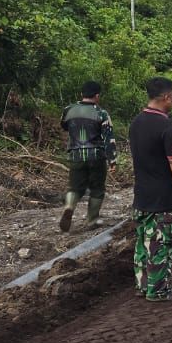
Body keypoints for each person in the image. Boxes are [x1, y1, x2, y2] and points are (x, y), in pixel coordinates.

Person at [128, 77, 172, 302]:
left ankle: (143, 285)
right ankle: (159, 289)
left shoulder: (136, 122)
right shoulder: (166, 126)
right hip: (163, 197)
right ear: (166, 97)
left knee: (143, 242)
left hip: (141, 195)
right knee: (162, 243)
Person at [58, 81, 117, 232]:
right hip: (96, 156)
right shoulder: (101, 113)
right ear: (97, 96)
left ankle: (70, 206)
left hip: (76, 155)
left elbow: (64, 125)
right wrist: (112, 160)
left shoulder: (68, 110)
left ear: (81, 95)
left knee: (74, 187)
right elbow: (109, 138)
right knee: (97, 189)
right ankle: (92, 220)